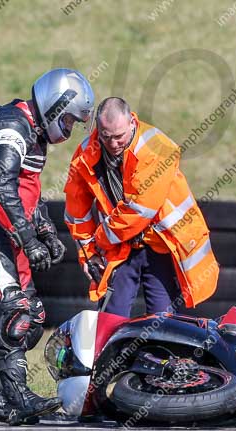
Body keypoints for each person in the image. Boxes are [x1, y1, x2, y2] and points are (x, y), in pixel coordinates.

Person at [0, 68, 95, 426]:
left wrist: (45, 230)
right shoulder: (13, 125)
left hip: (2, 225)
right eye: (68, 119)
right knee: (15, 310)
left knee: (31, 318)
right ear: (54, 104)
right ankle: (17, 399)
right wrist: (28, 239)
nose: (69, 127)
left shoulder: (30, 129)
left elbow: (25, 189)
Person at [63, 97, 219, 317]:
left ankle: (159, 352)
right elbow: (76, 213)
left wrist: (100, 240)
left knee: (162, 323)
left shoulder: (157, 148)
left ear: (132, 123)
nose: (113, 144)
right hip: (122, 246)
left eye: (119, 137)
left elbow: (139, 210)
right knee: (110, 320)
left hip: (161, 244)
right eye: (106, 137)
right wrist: (89, 255)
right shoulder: (85, 156)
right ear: (98, 129)